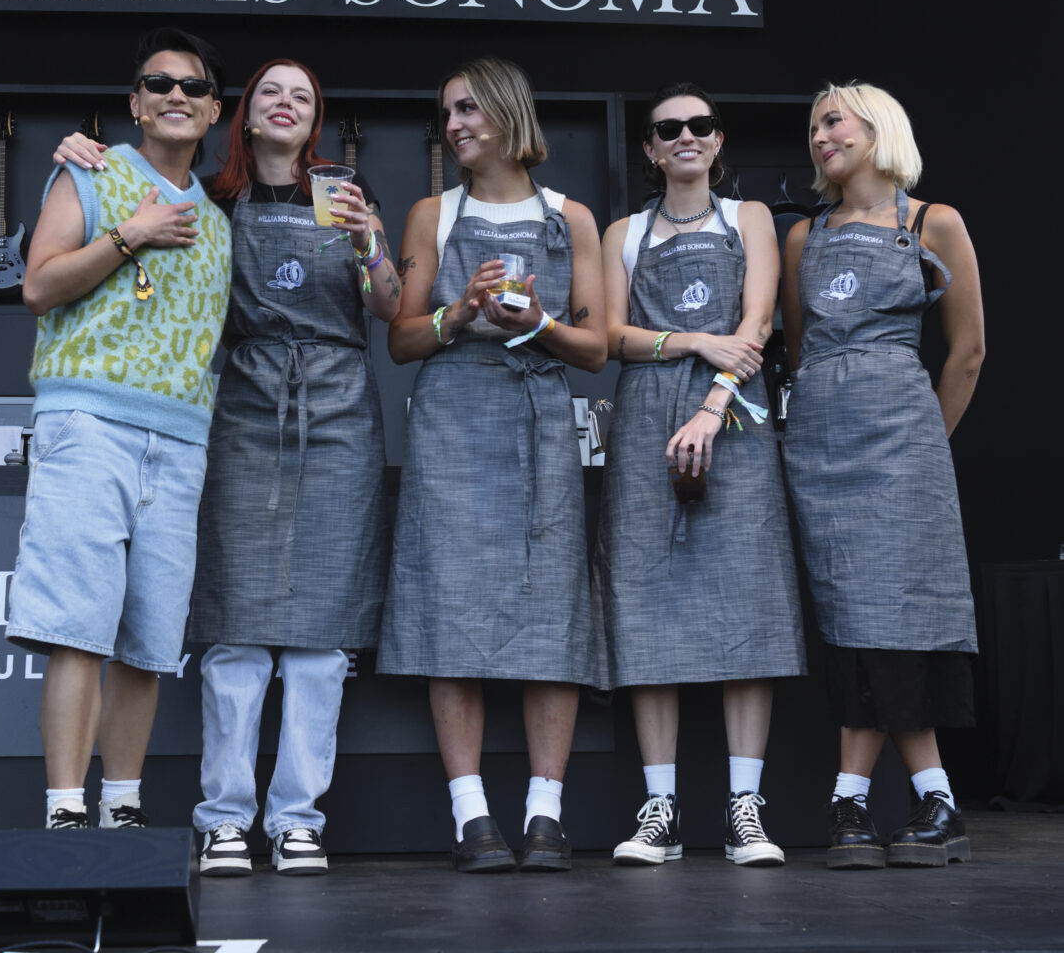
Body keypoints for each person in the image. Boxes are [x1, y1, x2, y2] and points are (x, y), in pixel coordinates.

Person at [56, 59, 401, 874]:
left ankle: (298, 819)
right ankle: (223, 818)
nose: (285, 105)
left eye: (303, 97)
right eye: (270, 94)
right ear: (240, 117)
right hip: (242, 407)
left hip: (341, 410)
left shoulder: (347, 196)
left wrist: (367, 240)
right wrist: (83, 154)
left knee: (323, 637)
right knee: (234, 627)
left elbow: (387, 305)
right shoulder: (212, 199)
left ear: (316, 120)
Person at [376, 58, 607, 873]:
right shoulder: (431, 215)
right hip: (451, 421)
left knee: (551, 616)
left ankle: (545, 814)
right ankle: (472, 816)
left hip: (539, 420)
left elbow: (596, 348)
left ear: (510, 114)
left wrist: (538, 319)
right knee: (452, 613)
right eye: (447, 113)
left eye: (469, 108)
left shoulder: (570, 218)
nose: (456, 124)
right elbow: (401, 340)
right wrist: (461, 308)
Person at [6, 28, 230, 830]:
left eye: (192, 87)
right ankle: (66, 810)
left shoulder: (219, 218)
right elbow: (37, 286)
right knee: (79, 627)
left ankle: (123, 809)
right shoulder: (92, 170)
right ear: (135, 103)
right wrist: (128, 234)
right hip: (90, 421)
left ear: (212, 112)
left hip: (181, 440)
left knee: (148, 638)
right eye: (157, 83)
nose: (176, 94)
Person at [594, 83, 805, 869]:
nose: (687, 136)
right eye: (669, 128)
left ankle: (746, 805)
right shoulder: (622, 231)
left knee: (748, 603)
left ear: (719, 142)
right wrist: (692, 342)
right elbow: (614, 336)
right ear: (649, 148)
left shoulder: (748, 218)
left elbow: (756, 323)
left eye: (701, 125)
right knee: (647, 601)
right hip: (648, 416)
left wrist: (716, 401)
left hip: (736, 418)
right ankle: (661, 809)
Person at [780, 82, 984, 869]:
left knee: (888, 612)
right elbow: (799, 353)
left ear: (878, 127)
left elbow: (967, 352)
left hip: (903, 443)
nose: (821, 136)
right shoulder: (805, 235)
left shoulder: (933, 222)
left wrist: (924, 442)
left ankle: (856, 804)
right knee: (848, 611)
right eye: (813, 127)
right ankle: (930, 802)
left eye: (833, 121)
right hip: (820, 445)